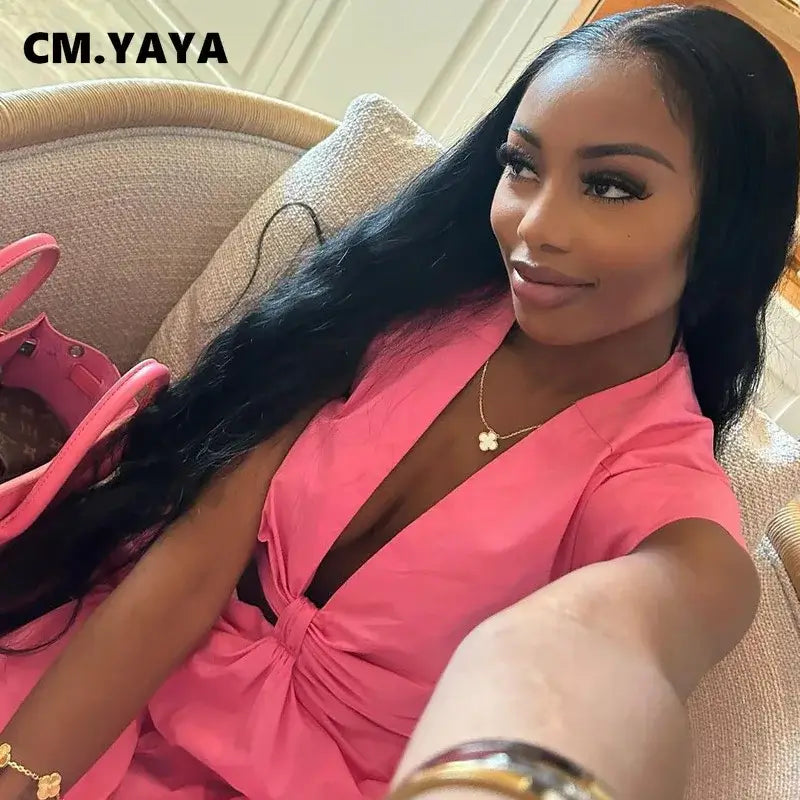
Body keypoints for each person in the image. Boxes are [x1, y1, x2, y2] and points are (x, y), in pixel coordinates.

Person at [0, 4, 797, 799]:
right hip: (110, 680)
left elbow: (624, 636)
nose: (535, 226)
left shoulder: (662, 491)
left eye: (611, 186)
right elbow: (195, 557)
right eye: (522, 165)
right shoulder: (413, 300)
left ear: (728, 223)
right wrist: (25, 775)